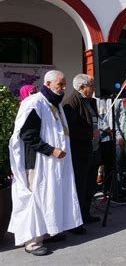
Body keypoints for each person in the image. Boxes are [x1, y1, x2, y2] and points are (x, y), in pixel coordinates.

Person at [8, 70, 82, 256]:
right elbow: (27, 136)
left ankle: (49, 231)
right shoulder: (34, 103)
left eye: (65, 84)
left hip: (55, 163)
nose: (64, 88)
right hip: (38, 163)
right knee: (37, 200)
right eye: (60, 84)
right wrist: (51, 150)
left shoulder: (54, 103)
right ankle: (32, 242)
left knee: (52, 197)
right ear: (48, 84)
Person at [63, 74, 101, 228]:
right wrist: (89, 134)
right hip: (80, 152)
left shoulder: (91, 101)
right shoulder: (71, 103)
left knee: (90, 185)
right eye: (91, 85)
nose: (94, 88)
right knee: (80, 187)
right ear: (82, 87)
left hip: (92, 150)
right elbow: (70, 130)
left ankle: (85, 214)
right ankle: (75, 222)